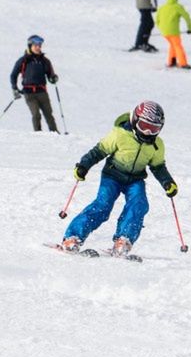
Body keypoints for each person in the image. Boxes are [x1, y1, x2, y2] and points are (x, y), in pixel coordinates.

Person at [62, 101, 177, 256]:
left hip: (135, 179)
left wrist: (167, 182)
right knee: (103, 205)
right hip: (112, 176)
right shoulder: (119, 134)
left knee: (139, 205)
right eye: (144, 126)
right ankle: (72, 237)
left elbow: (158, 166)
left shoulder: (156, 145)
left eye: (154, 128)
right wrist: (84, 166)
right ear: (135, 120)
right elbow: (99, 151)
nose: (148, 132)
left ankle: (124, 239)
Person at [9, 35, 59, 132]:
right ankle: (38, 135)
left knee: (49, 114)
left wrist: (53, 78)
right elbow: (13, 75)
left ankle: (55, 134)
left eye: (40, 45)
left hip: (42, 92)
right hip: (29, 93)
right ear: (30, 46)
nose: (38, 47)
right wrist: (15, 88)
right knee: (36, 114)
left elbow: (50, 76)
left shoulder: (45, 61)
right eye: (36, 45)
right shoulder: (23, 61)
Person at [156, 0, 191, 69]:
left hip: (164, 32)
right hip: (174, 32)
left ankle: (171, 62)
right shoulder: (178, 7)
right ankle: (183, 64)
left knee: (173, 45)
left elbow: (157, 20)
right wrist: (190, 28)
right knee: (178, 46)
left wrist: (162, 29)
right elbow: (187, 17)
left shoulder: (162, 7)